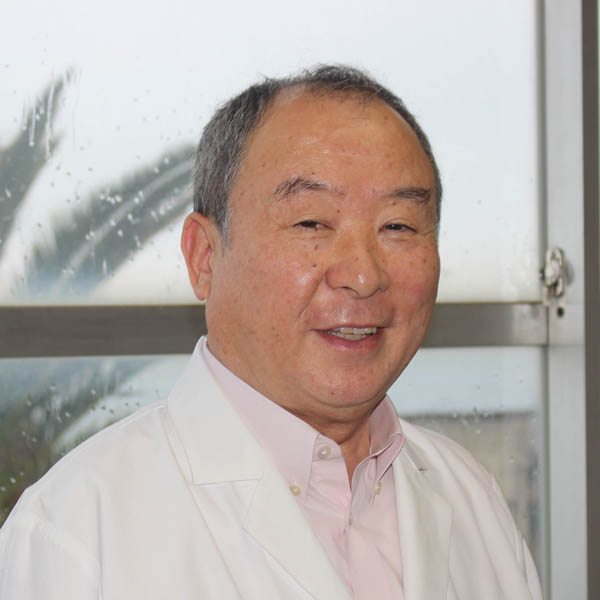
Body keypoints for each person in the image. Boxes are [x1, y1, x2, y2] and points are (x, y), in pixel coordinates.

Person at [0, 65, 542, 599]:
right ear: (204, 257)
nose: (363, 275)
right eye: (312, 223)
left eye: (398, 225)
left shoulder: (473, 499)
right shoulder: (74, 532)